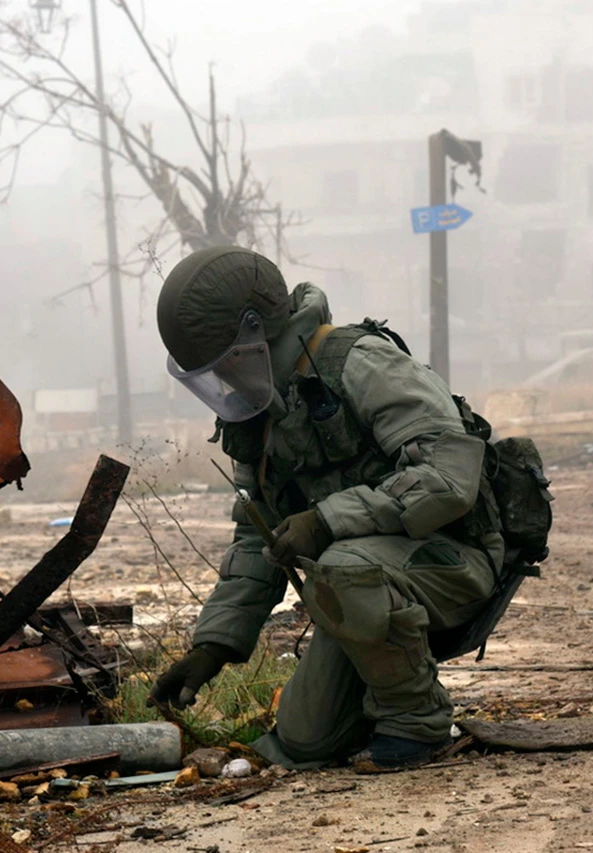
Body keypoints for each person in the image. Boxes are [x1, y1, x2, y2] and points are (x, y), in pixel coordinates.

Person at [148, 247, 504, 773]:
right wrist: (214, 646)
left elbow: (450, 478)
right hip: (363, 584)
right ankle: (381, 697)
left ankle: (416, 723)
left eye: (227, 361)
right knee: (306, 740)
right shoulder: (260, 412)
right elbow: (256, 538)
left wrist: (329, 520)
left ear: (256, 332)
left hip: (455, 561)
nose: (224, 380)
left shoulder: (362, 363)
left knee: (342, 567)